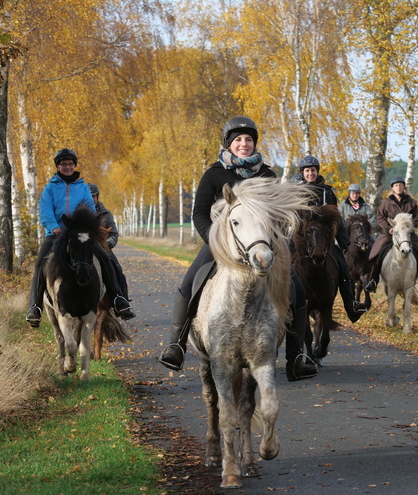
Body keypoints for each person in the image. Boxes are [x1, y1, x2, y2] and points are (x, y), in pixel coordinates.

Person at [158, 116, 317, 381]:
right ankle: (176, 344)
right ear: (229, 144)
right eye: (238, 140)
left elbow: (277, 216)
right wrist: (216, 240)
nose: (244, 144)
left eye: (249, 140)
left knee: (297, 291)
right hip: (222, 244)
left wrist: (275, 240)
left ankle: (296, 356)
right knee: (189, 284)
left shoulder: (267, 175)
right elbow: (199, 214)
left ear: (254, 143)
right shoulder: (213, 174)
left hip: (261, 245)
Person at [25, 148, 135, 327]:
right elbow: (45, 212)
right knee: (40, 263)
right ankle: (35, 307)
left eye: (70, 163)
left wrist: (85, 228)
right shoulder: (49, 189)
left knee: (105, 257)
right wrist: (54, 227)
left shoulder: (83, 188)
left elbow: (90, 212)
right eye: (63, 164)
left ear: (74, 165)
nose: (67, 167)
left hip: (81, 234)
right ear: (58, 166)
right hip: (57, 234)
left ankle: (118, 299)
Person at [290, 156, 369, 323]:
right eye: (307, 171)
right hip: (302, 240)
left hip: (324, 241)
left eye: (313, 170)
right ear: (302, 173)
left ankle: (351, 305)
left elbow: (336, 219)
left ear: (317, 171)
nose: (310, 173)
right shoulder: (296, 192)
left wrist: (344, 243)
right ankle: (284, 305)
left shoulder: (327, 192)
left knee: (342, 265)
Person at [364, 176, 418, 294]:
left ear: (404, 187)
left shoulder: (412, 202)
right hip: (390, 233)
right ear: (392, 188)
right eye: (396, 185)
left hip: (407, 234)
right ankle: (373, 281)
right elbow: (380, 217)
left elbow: (416, 218)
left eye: (401, 185)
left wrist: (409, 228)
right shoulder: (385, 203)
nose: (399, 187)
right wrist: (389, 228)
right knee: (378, 253)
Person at [87, 182, 131, 305]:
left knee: (116, 268)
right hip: (84, 249)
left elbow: (114, 234)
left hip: (102, 248)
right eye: (88, 197)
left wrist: (106, 245)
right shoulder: (79, 213)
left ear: (97, 197)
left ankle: (121, 300)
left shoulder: (105, 213)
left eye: (93, 196)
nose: (91, 199)